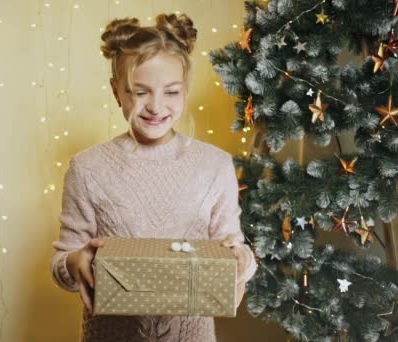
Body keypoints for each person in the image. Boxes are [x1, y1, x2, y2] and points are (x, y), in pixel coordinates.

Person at [50, 13, 258, 342]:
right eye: (140, 92)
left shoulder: (214, 166)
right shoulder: (87, 168)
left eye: (171, 92)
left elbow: (235, 253)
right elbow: (63, 263)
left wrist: (240, 259)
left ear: (185, 91)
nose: (156, 106)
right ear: (117, 91)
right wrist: (75, 262)